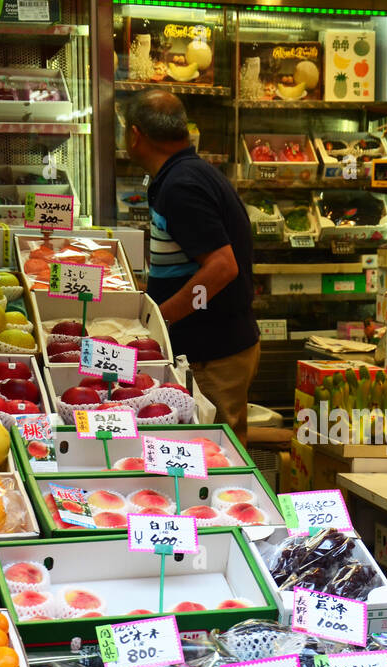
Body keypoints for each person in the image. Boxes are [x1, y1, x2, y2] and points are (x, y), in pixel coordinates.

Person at [125, 90, 260, 445]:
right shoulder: (186, 174)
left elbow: (221, 268)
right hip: (211, 349)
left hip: (213, 353)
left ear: (135, 135)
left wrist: (161, 319)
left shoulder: (182, 185)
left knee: (215, 457)